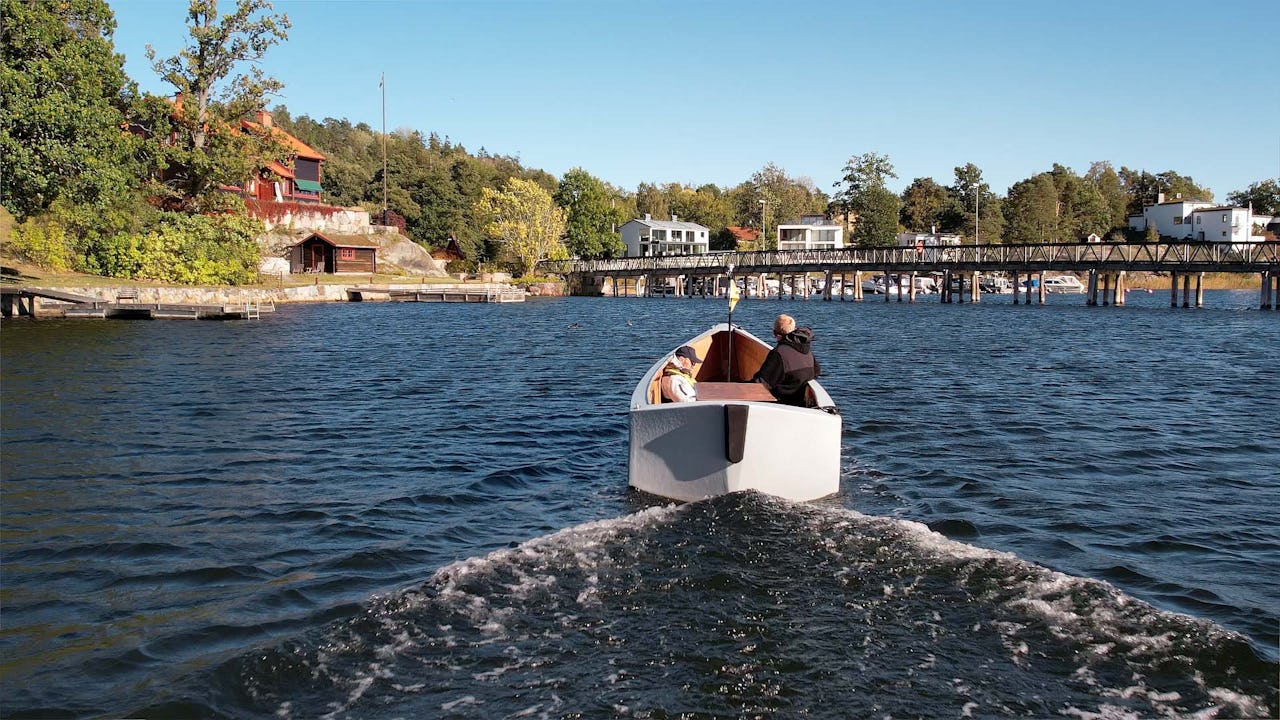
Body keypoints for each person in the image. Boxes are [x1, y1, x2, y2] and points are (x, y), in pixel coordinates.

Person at [753, 314, 820, 406]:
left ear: (775, 334)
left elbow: (762, 382)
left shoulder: (779, 353)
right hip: (801, 400)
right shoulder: (807, 349)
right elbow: (816, 371)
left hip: (783, 401)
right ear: (794, 329)